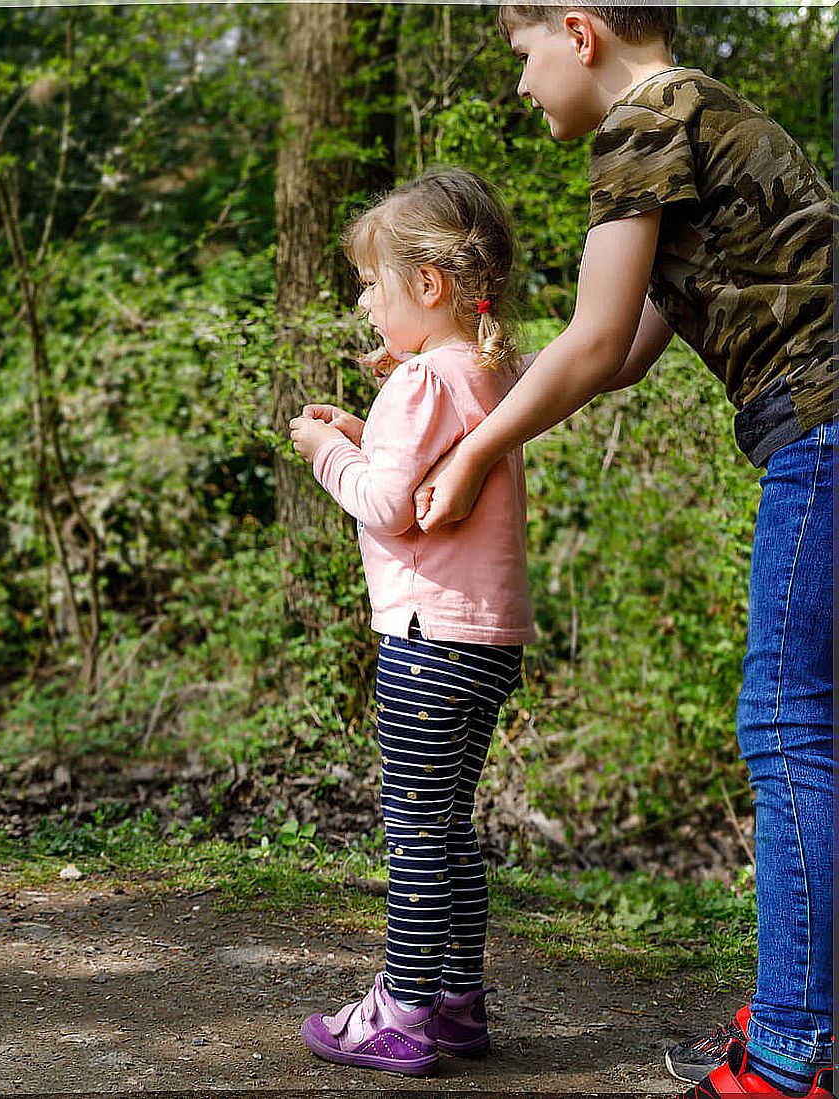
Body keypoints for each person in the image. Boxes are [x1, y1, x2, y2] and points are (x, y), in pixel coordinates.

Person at [417, 7, 835, 1098]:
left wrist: (466, 457)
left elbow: (596, 339)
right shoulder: (705, 114)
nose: (521, 85)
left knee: (789, 725)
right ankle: (809, 1005)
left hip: (824, 428)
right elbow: (619, 353)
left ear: (578, 31)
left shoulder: (644, 121)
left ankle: (790, 1052)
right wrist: (459, 386)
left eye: (521, 56)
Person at [288, 167, 535, 1078]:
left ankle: (400, 1008)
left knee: (416, 827)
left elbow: (387, 505)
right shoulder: (487, 368)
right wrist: (364, 429)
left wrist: (326, 454)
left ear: (426, 286)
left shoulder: (420, 379)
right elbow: (420, 459)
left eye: (371, 283)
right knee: (449, 821)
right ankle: (459, 1001)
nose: (363, 300)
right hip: (489, 639)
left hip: (427, 639)